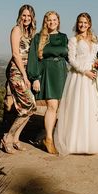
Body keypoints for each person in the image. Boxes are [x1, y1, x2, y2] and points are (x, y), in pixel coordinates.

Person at [54, 12, 98, 155]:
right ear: (77, 24)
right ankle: (77, 143)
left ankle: (95, 142)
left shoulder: (94, 39)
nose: (83, 25)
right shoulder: (73, 40)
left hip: (94, 76)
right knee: (80, 108)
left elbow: (95, 56)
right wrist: (85, 71)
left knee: (94, 108)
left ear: (89, 24)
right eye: (80, 22)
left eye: (85, 22)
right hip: (80, 77)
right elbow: (71, 60)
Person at [27, 11, 68, 154]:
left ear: (58, 21)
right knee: (52, 106)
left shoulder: (64, 37)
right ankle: (49, 139)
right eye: (49, 20)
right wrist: (35, 78)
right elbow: (33, 58)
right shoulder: (39, 37)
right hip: (47, 73)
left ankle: (58, 136)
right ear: (46, 22)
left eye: (54, 20)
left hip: (62, 73)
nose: (52, 22)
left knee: (60, 108)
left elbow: (71, 56)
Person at [0, 4, 37, 154]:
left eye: (29, 16)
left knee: (30, 108)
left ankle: (16, 139)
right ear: (20, 16)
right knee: (28, 105)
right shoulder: (16, 30)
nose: (26, 18)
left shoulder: (31, 32)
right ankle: (7, 138)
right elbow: (16, 54)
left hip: (26, 72)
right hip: (17, 72)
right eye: (24, 15)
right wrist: (25, 76)